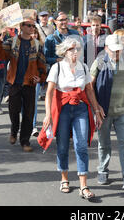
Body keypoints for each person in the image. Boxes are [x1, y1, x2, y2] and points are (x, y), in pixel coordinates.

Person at [42, 38, 104, 200]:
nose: (75, 52)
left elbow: (89, 90)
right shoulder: (57, 67)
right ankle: (64, 178)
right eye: (71, 49)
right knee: (62, 145)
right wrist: (48, 114)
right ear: (64, 52)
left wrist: (96, 109)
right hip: (63, 109)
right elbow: (49, 92)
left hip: (81, 108)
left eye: (77, 49)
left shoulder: (84, 67)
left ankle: (83, 185)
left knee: (81, 144)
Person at [90, 34, 124, 190]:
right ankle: (103, 171)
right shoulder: (98, 63)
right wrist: (96, 107)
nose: (117, 54)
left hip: (122, 110)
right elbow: (89, 87)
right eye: (114, 51)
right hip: (104, 112)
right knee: (104, 144)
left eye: (119, 50)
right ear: (106, 49)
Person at [0, 15, 47, 152]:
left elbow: (42, 64)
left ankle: (25, 141)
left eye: (33, 26)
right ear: (21, 27)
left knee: (29, 114)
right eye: (28, 25)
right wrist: (0, 38)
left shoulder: (38, 44)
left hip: (30, 83)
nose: (31, 28)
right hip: (14, 82)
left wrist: (41, 77)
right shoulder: (12, 41)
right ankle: (13, 130)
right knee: (13, 110)